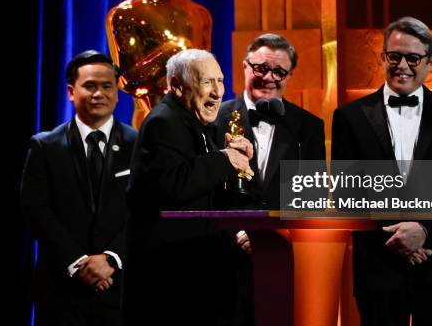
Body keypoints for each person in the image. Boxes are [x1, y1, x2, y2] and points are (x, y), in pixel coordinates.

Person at [331, 17, 432, 325]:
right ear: (383, 57)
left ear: (430, 62)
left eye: (413, 58)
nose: (402, 65)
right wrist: (401, 235)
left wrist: (424, 231)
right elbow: (346, 191)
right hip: (377, 265)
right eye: (394, 56)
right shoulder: (348, 118)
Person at [125, 49, 254, 325]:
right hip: (171, 277)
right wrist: (224, 159)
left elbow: (211, 191)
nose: (218, 92)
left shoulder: (201, 122)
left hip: (204, 271)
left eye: (220, 81)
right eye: (206, 82)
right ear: (177, 86)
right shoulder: (163, 122)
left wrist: (233, 158)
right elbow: (173, 185)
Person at [20, 50, 137, 325]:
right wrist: (79, 262)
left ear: (117, 93)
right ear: (72, 92)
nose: (99, 94)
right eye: (90, 86)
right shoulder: (44, 146)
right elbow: (36, 211)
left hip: (121, 289)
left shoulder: (138, 145)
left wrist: (110, 259)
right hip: (61, 292)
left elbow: (145, 208)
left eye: (107, 86)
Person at [216, 33, 326, 210]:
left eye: (279, 72)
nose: (268, 78)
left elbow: (314, 197)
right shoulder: (215, 118)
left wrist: (284, 233)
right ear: (245, 67)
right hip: (228, 235)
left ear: (289, 76)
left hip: (286, 235)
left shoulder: (309, 126)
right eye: (261, 68)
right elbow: (205, 193)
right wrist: (237, 232)